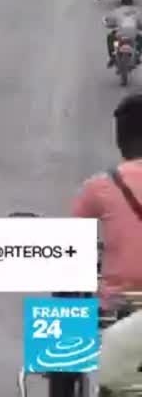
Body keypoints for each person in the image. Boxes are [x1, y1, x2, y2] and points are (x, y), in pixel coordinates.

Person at [72, 93, 142, 395]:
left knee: (65, 308)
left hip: (117, 304)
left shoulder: (100, 186)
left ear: (120, 141)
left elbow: (69, 245)